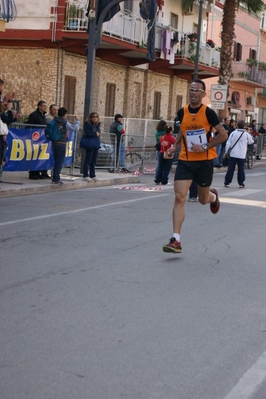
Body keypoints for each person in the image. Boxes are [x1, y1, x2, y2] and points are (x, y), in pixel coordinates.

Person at [162, 79, 227, 254]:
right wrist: (175, 146)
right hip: (185, 160)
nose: (193, 92)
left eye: (197, 90)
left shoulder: (209, 113)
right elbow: (182, 132)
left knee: (202, 200)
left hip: (204, 161)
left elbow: (223, 135)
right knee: (179, 197)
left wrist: (205, 146)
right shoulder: (181, 112)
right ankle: (176, 240)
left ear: (203, 94)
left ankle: (213, 197)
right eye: (191, 89)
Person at [51, 107, 80, 185]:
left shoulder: (54, 120)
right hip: (61, 143)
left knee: (56, 160)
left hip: (53, 142)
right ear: (65, 114)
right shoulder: (64, 122)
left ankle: (54, 177)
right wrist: (77, 121)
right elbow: (75, 128)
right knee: (59, 161)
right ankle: (56, 178)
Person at [224, 120, 254, 188]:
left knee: (230, 168)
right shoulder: (246, 134)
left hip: (233, 153)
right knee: (241, 169)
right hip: (241, 154)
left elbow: (228, 143)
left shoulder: (233, 133)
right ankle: (241, 183)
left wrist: (226, 152)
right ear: (244, 126)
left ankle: (227, 182)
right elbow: (251, 141)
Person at [27, 100, 50, 179]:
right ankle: (33, 173)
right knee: (34, 156)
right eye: (43, 106)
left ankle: (39, 172)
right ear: (39, 106)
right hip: (35, 139)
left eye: (46, 106)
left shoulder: (43, 115)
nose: (45, 108)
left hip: (42, 139)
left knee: (39, 156)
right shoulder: (34, 115)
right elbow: (30, 125)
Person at [83, 112, 101, 182]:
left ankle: (92, 174)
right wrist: (95, 134)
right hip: (90, 144)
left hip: (95, 144)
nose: (95, 118)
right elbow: (88, 134)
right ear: (90, 117)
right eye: (93, 117)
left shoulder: (97, 125)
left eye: (96, 117)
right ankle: (85, 175)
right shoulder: (88, 124)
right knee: (88, 159)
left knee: (94, 160)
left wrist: (97, 134)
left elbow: (98, 133)